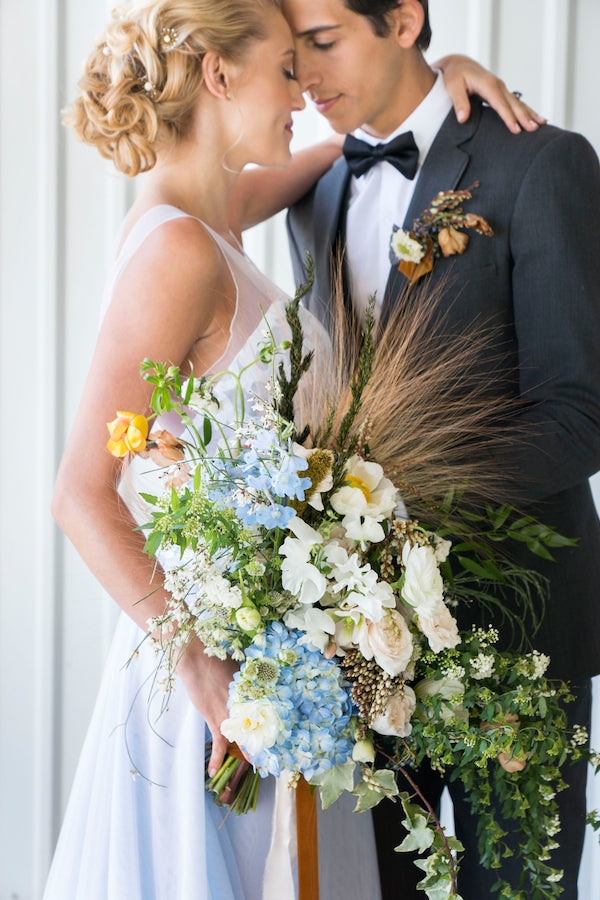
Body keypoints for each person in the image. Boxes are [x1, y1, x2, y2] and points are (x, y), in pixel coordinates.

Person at [45, 0, 555, 897]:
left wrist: (451, 83)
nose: (307, 92)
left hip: (281, 670)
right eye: (289, 66)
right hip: (213, 677)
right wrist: (202, 664)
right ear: (217, 74)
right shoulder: (179, 251)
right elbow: (80, 492)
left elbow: (348, 155)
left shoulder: (216, 215)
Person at [284, 1, 600, 897]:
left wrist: (391, 500)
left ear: (404, 20)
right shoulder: (314, 186)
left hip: (517, 631)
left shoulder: (542, 164)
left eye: (324, 41)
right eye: (291, 51)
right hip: (363, 649)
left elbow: (580, 415)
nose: (305, 76)